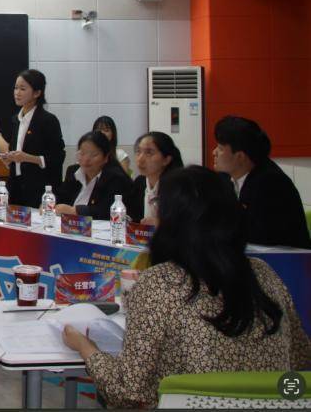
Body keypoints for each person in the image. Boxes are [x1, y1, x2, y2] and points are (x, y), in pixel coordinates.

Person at [62, 166, 311, 408]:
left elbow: (127, 392)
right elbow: (301, 357)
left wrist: (87, 348)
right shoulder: (265, 274)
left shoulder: (159, 282)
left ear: (172, 221)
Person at [213, 116, 311, 249]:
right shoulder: (225, 177)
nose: (214, 152)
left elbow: (259, 235)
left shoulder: (270, 183)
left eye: (220, 148)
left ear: (240, 156)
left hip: (284, 257)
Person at [1, 69, 65, 207]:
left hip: (39, 190)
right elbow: (16, 154)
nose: (17, 92)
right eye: (16, 88)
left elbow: (58, 158)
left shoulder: (48, 121)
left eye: (22, 89)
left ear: (37, 93)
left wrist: (28, 158)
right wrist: (9, 160)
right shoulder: (15, 120)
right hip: (16, 188)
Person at [56, 131, 133, 220]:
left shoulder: (116, 178)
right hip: (69, 226)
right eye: (82, 154)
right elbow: (61, 197)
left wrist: (75, 211)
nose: (86, 159)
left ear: (106, 157)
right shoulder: (73, 172)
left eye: (94, 155)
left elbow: (106, 211)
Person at [124, 132, 183, 224]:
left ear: (166, 159)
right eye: (138, 151)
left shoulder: (177, 187)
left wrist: (162, 225)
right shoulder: (140, 182)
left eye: (149, 153)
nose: (140, 159)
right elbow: (132, 217)